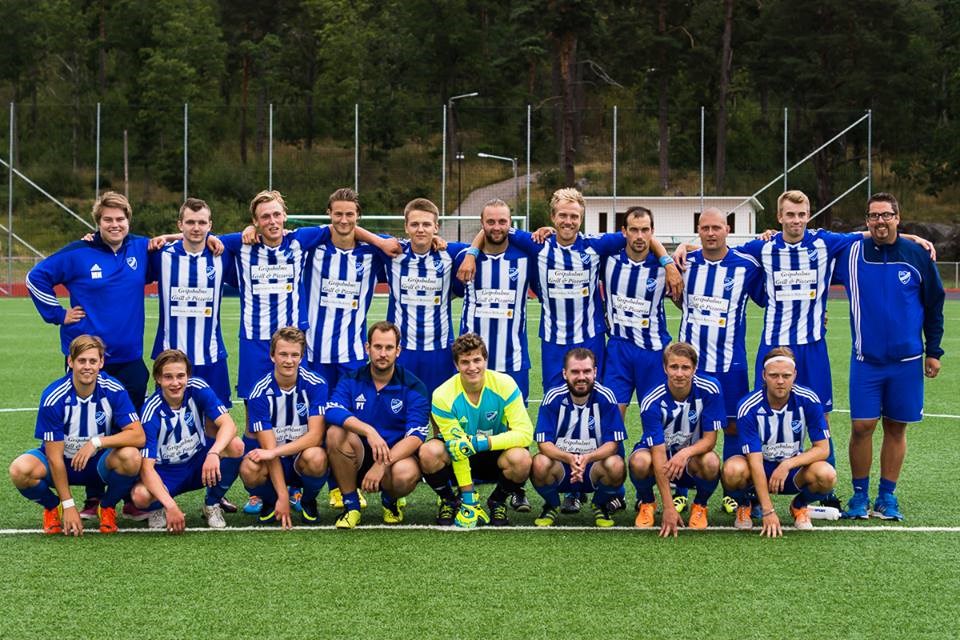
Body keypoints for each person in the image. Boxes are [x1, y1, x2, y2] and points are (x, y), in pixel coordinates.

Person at [221, 189, 393, 515]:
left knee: (325, 418)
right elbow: (200, 236)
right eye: (264, 216)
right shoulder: (242, 245)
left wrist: (380, 242)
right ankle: (260, 490)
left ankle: (327, 486)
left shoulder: (302, 241)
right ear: (255, 221)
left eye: (276, 214)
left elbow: (344, 227)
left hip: (304, 346)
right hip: (258, 345)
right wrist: (246, 232)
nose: (272, 220)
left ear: (285, 216)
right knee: (256, 419)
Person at [832, 193, 945, 521]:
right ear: (866, 221)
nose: (880, 221)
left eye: (886, 215)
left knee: (896, 427)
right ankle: (859, 496)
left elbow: (934, 305)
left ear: (898, 217)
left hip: (907, 362)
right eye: (874, 216)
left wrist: (934, 351)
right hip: (866, 360)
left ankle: (887, 496)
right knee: (862, 426)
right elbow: (815, 246)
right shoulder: (851, 254)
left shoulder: (917, 255)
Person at [676, 207, 765, 513]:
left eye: (716, 227)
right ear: (698, 231)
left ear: (728, 229)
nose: (711, 233)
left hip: (730, 362)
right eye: (705, 228)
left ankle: (732, 489)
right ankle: (681, 489)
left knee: (733, 426)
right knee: (686, 424)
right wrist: (678, 249)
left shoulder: (746, 265)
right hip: (690, 364)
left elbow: (771, 295)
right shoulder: (684, 263)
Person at [26, 191, 152, 407]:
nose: (115, 225)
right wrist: (58, 314)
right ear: (98, 223)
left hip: (129, 358)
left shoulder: (140, 247)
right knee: (86, 420)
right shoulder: (78, 252)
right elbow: (34, 278)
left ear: (128, 221)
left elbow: (182, 241)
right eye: (108, 219)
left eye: (120, 219)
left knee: (130, 422)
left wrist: (209, 238)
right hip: (87, 359)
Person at [8, 335, 144, 535]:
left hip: (98, 464)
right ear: (70, 362)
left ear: (101, 363)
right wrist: (68, 504)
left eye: (93, 361)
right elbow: (54, 457)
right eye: (81, 361)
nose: (87, 367)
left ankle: (107, 506)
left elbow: (138, 436)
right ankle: (53, 506)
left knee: (132, 457)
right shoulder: (53, 396)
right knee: (20, 470)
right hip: (61, 463)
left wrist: (96, 442)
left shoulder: (113, 389)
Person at [453, 198, 535, 513]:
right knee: (463, 421)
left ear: (510, 224)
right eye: (491, 221)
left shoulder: (525, 256)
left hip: (513, 359)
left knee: (516, 426)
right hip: (471, 364)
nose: (497, 227)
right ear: (482, 223)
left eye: (503, 221)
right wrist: (472, 251)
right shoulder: (462, 257)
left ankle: (516, 489)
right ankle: (463, 483)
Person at [419, 333, 533, 528]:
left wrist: (482, 443)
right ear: (456, 365)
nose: (472, 367)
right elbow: (457, 447)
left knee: (521, 458)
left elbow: (525, 433)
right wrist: (468, 498)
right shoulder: (442, 395)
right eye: (465, 362)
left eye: (477, 360)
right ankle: (451, 500)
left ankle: (497, 501)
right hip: (460, 455)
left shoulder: (505, 384)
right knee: (429, 452)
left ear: (485, 360)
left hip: (494, 453)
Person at [324, 321, 430, 529]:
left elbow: (416, 436)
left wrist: (382, 464)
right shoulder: (351, 379)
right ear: (368, 348)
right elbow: (333, 410)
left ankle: (390, 501)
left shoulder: (413, 386)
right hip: (358, 455)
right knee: (335, 433)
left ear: (398, 351)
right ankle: (351, 506)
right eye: (378, 347)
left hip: (393, 460)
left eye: (389, 348)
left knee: (406, 473)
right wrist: (369, 431)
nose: (383, 354)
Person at [721, 347, 837, 536]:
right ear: (764, 375)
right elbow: (755, 461)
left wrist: (787, 464)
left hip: (792, 471)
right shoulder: (748, 406)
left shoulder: (809, 399)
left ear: (795, 375)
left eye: (786, 375)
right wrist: (768, 511)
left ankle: (799, 506)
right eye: (774, 375)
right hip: (759, 468)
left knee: (827, 475)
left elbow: (823, 449)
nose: (780, 381)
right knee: (732, 470)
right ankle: (745, 504)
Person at [131, 350, 245, 532]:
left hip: (198, 462)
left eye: (180, 376)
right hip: (166, 472)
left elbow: (229, 425)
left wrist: (213, 452)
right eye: (168, 377)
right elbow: (146, 469)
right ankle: (159, 507)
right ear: (158, 379)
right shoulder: (150, 411)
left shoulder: (197, 388)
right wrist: (171, 506)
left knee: (236, 445)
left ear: (188, 375)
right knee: (140, 496)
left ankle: (212, 504)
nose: (175, 383)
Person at [239, 327, 329, 529]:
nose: (289, 360)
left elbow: (315, 436)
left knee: (317, 457)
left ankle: (308, 500)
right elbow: (268, 448)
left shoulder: (316, 384)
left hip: (301, 458)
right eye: (283, 354)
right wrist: (282, 496)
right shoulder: (258, 392)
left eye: (295, 355)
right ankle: (271, 500)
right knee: (248, 468)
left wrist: (274, 452)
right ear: (272, 356)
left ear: (302, 357)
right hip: (273, 461)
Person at [150, 198, 235, 409]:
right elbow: (123, 243)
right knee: (169, 417)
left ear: (210, 225)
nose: (196, 228)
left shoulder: (222, 255)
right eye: (190, 222)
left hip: (211, 355)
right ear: (180, 224)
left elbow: (254, 235)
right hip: (170, 357)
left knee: (215, 418)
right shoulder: (161, 255)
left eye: (202, 222)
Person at [379, 197, 469, 394]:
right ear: (406, 227)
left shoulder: (450, 253)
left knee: (439, 407)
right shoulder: (392, 252)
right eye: (415, 224)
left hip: (440, 350)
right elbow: (353, 232)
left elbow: (483, 243)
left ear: (436, 227)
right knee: (399, 406)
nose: (420, 229)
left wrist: (472, 255)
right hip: (401, 349)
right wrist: (379, 241)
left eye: (427, 225)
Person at [630, 342, 724, 531]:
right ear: (665, 368)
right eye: (674, 367)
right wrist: (669, 507)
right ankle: (647, 502)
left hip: (691, 457)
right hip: (659, 454)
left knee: (711, 462)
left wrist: (684, 453)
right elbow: (658, 452)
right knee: (639, 461)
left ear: (694, 368)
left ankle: (700, 505)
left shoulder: (710, 389)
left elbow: (710, 440)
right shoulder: (651, 399)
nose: (679, 373)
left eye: (685, 367)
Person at [531, 348, 627, 528]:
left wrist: (587, 458)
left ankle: (599, 504)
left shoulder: (606, 397)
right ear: (565, 374)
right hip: (562, 467)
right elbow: (543, 443)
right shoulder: (553, 397)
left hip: (593, 468)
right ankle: (552, 504)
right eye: (575, 371)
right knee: (539, 463)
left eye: (587, 371)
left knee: (616, 465)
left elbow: (613, 444)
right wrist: (569, 458)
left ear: (595, 372)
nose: (581, 377)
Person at [302, 188, 387, 390]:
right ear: (329, 214)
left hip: (352, 354)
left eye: (349, 214)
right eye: (338, 214)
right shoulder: (310, 249)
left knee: (350, 408)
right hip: (314, 352)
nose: (343, 220)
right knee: (316, 408)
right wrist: (252, 229)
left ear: (358, 215)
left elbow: (412, 246)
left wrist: (436, 239)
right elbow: (279, 237)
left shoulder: (374, 253)